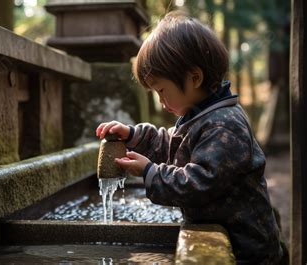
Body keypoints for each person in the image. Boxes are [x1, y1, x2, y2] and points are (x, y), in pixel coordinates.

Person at [96, 11, 285, 264]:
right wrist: (132, 135)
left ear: (194, 78)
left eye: (161, 90)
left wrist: (149, 172)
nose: (161, 102)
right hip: (230, 237)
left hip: (247, 251)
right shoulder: (201, 115)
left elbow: (199, 183)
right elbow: (169, 142)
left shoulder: (224, 126)